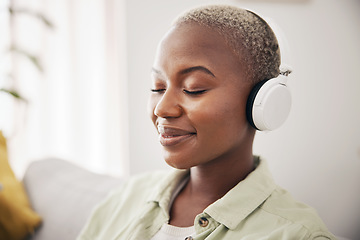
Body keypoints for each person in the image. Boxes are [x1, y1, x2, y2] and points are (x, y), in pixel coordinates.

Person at [77, 5, 336, 240]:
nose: (162, 108)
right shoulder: (124, 199)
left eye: (194, 89)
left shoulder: (296, 233)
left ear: (263, 102)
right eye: (157, 87)